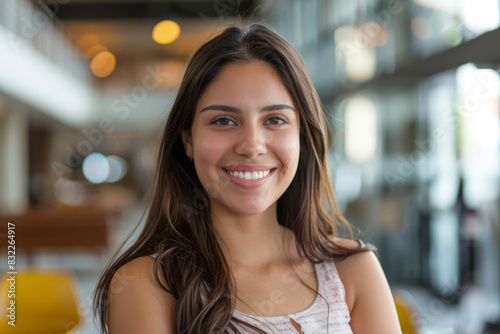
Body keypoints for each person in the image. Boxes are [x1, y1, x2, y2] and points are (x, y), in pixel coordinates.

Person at [93, 23, 401, 333]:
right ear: (187, 140)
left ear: (302, 138)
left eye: (275, 120)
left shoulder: (353, 269)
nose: (252, 146)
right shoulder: (148, 283)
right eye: (223, 120)